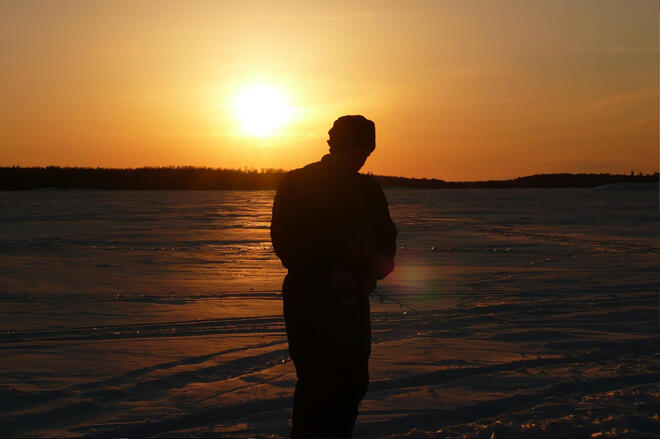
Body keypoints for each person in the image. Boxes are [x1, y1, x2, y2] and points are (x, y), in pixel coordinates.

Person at [270, 115, 397, 438]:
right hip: (309, 299)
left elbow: (385, 237)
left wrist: (377, 270)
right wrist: (328, 275)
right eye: (355, 153)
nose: (360, 161)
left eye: (366, 154)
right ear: (336, 147)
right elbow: (286, 241)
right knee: (317, 383)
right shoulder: (298, 183)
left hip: (353, 302)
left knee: (353, 382)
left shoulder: (368, 189)